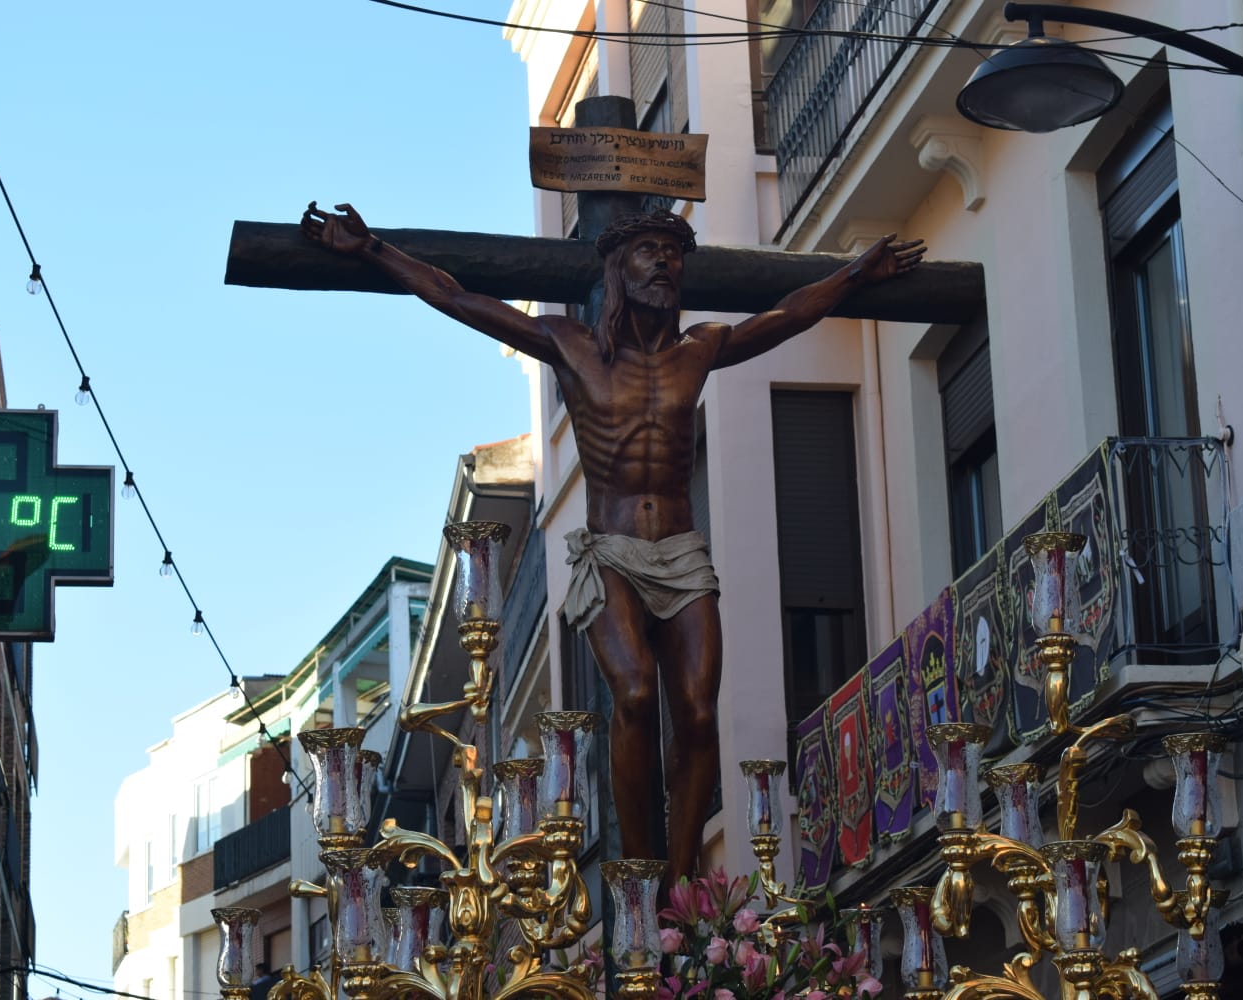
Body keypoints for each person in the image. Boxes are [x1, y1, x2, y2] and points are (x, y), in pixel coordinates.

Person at [301, 202, 924, 889]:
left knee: (695, 711)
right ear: (618, 270)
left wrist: (856, 274)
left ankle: (679, 883)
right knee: (632, 692)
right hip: (613, 551)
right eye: (650, 250)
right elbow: (459, 297)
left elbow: (788, 316)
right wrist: (374, 250)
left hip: (682, 554)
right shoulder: (571, 345)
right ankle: (640, 869)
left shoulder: (702, 349)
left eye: (675, 252)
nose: (666, 261)